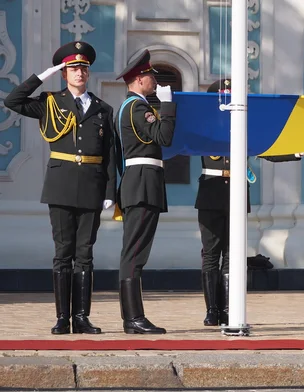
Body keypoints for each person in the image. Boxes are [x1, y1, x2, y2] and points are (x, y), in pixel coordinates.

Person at [4, 41, 116, 335]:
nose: (79, 72)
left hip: (92, 187)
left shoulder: (104, 109)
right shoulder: (50, 101)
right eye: (73, 68)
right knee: (62, 253)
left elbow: (110, 155)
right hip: (61, 185)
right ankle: (62, 318)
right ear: (64, 73)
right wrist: (41, 76)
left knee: (85, 254)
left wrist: (109, 192)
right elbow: (12, 101)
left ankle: (82, 317)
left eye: (83, 68)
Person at [196, 79, 302, 327]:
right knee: (211, 255)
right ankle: (212, 311)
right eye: (225, 98)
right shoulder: (204, 125)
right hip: (211, 194)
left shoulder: (243, 127)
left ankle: (228, 309)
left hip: (236, 193)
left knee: (233, 256)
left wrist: (298, 150)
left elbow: (267, 148)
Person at [114, 50, 176, 334]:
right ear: (139, 79)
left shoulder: (128, 106)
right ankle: (133, 318)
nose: (154, 81)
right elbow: (163, 137)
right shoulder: (137, 108)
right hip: (142, 184)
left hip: (138, 182)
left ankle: (133, 317)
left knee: (135, 252)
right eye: (151, 76)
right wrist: (167, 107)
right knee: (135, 253)